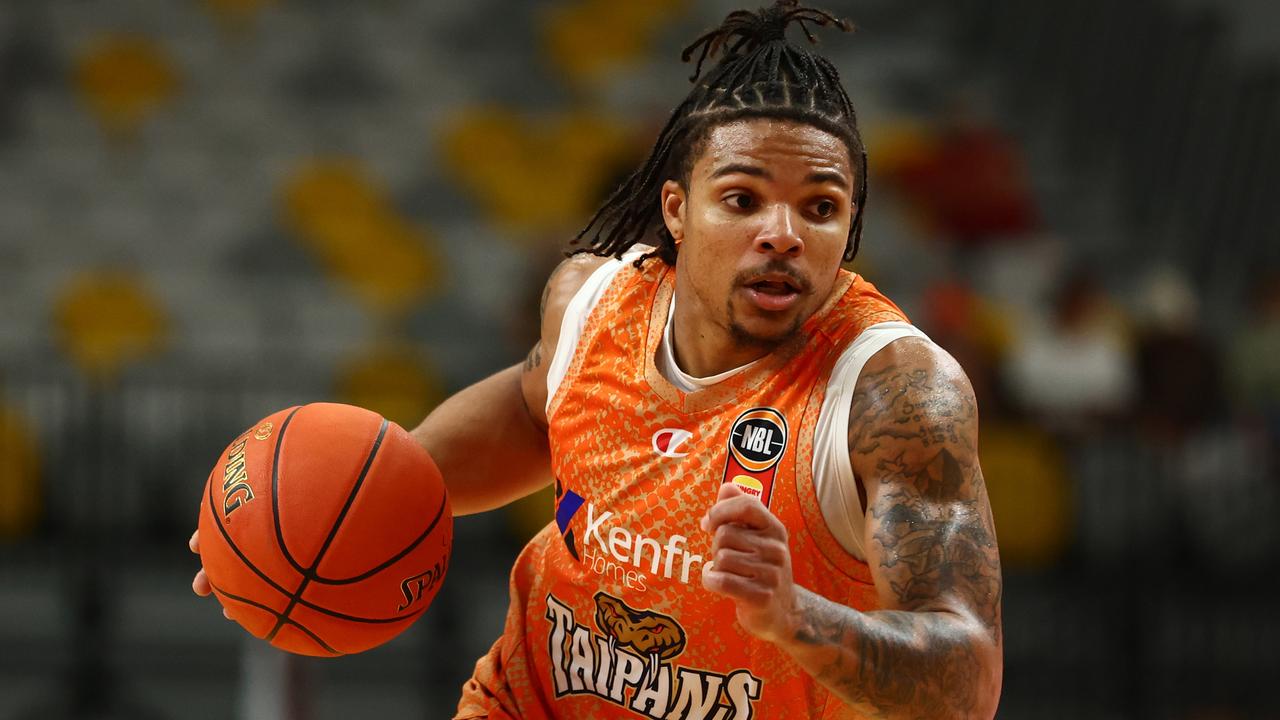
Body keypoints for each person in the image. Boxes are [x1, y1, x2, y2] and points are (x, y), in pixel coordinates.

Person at [192, 2, 1003, 717]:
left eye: (821, 208)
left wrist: (794, 614)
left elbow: (967, 682)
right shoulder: (591, 302)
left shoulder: (894, 394)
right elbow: (528, 407)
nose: (784, 233)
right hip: (531, 702)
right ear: (677, 212)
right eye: (743, 198)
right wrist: (307, 523)